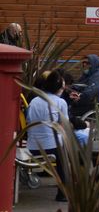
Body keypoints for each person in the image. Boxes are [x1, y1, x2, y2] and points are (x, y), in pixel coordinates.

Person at [26, 70, 69, 202]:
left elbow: (29, 121)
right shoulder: (60, 102)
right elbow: (65, 125)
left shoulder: (34, 101)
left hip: (32, 147)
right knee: (64, 156)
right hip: (52, 148)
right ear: (59, 88)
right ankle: (62, 193)